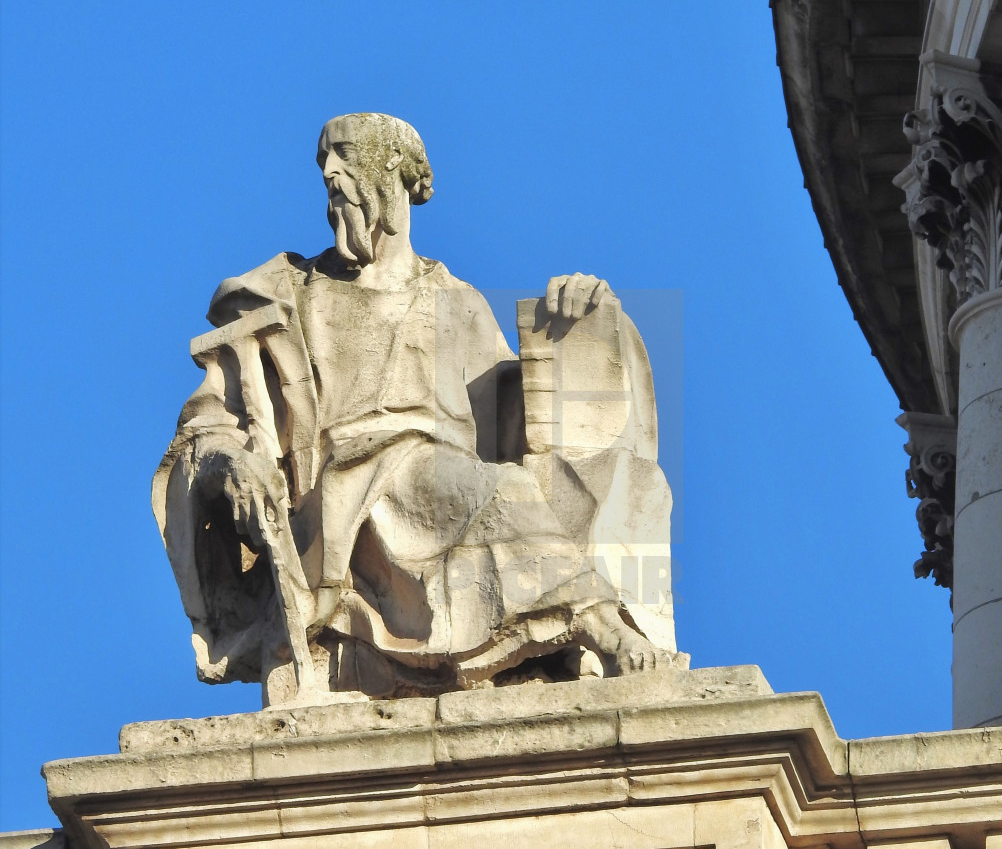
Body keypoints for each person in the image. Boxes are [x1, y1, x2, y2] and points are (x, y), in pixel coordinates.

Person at [154, 113, 680, 703]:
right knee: (496, 490)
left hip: (444, 488)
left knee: (497, 483)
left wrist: (581, 323)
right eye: (324, 163)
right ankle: (600, 625)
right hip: (342, 498)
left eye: (348, 156)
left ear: (401, 176)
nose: (330, 173)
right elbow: (208, 425)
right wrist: (230, 465)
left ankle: (572, 630)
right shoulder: (288, 299)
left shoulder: (454, 300)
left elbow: (522, 418)